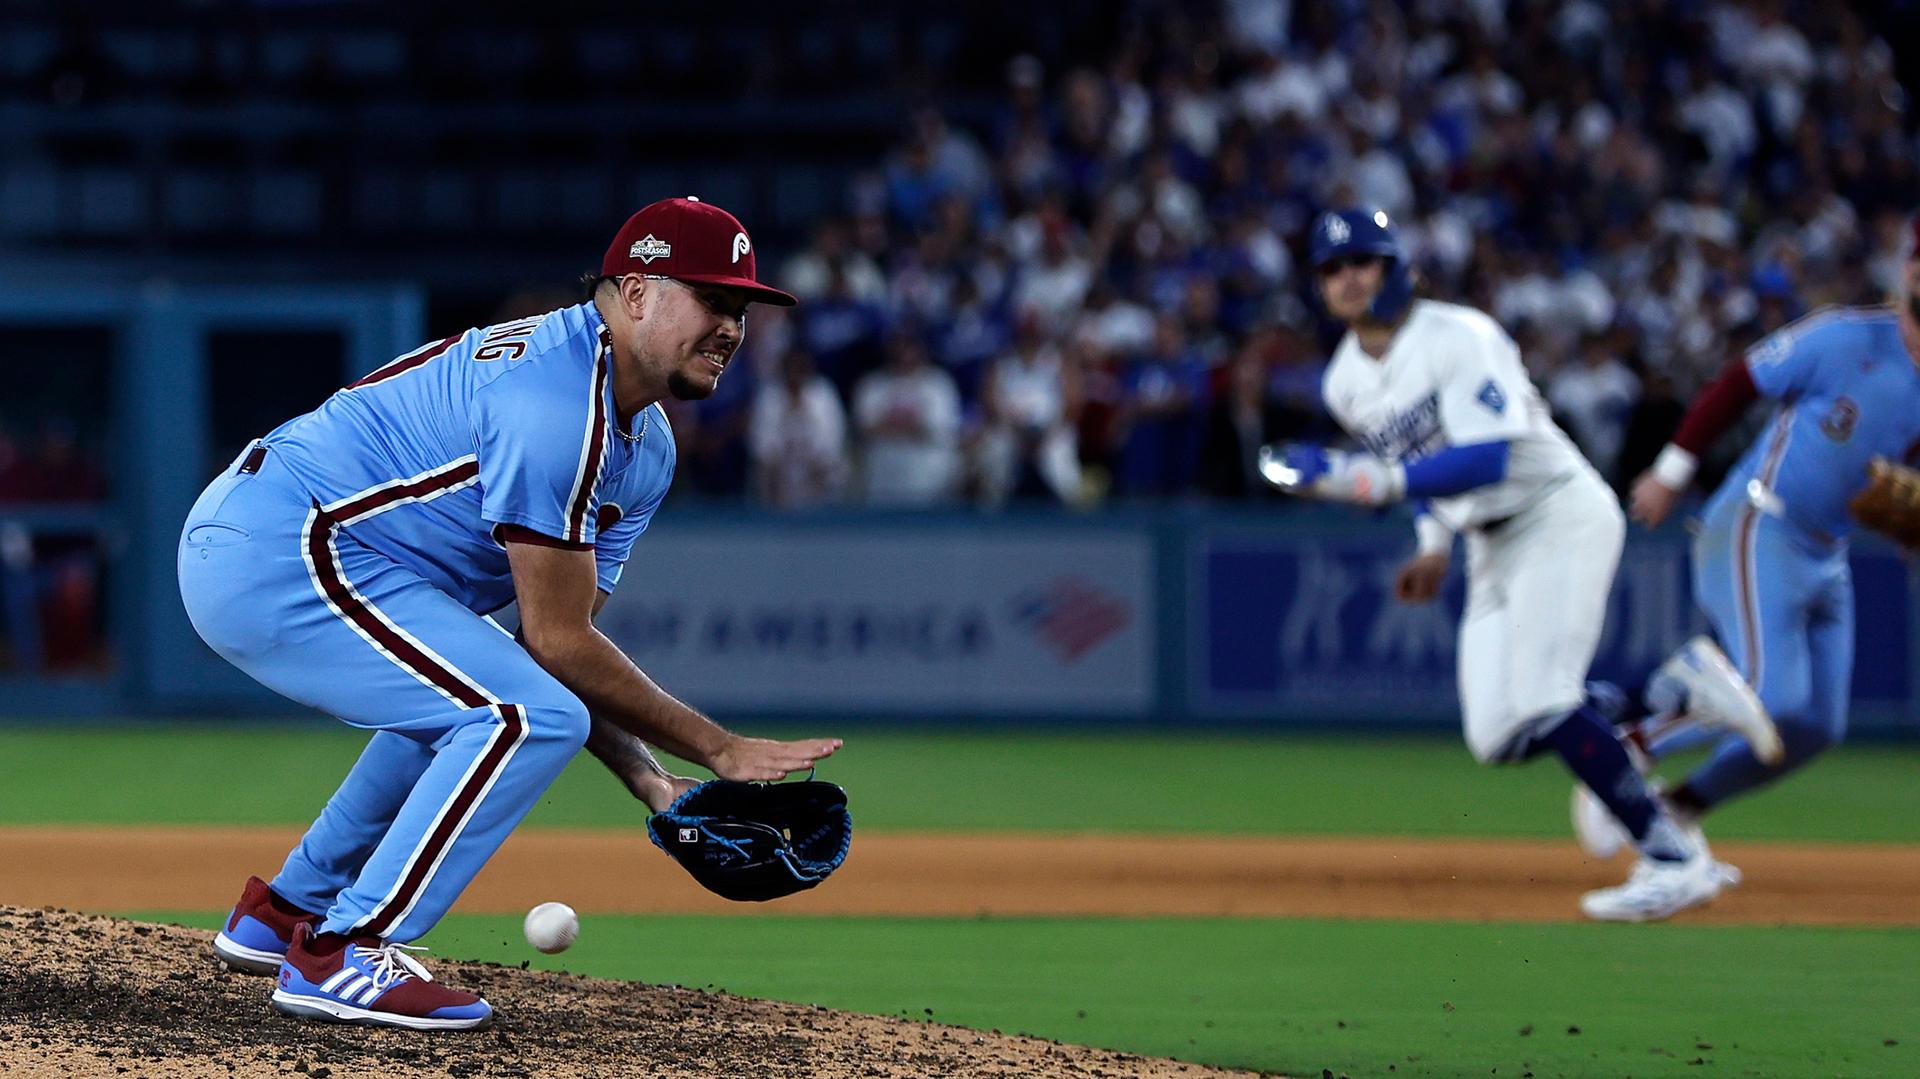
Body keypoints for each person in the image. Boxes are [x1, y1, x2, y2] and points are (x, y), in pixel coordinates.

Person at [178, 197, 842, 1030]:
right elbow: (561, 650)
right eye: (713, 300)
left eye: (741, 308)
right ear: (635, 291)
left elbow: (545, 645)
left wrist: (653, 782)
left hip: (321, 547)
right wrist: (718, 748)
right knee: (521, 715)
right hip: (275, 542)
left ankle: (284, 915)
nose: (732, 327)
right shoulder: (556, 402)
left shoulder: (645, 446)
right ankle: (349, 948)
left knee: (495, 699)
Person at [1260, 208, 1778, 923]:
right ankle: (1673, 690)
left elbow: (1487, 455)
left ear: (1392, 266)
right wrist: (1432, 544)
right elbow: (1418, 467)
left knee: (1543, 694)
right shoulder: (1344, 381)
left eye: (1362, 262)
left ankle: (1673, 855)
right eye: (1332, 268)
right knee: (1498, 733)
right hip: (1487, 539)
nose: (1348, 278)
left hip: (1556, 509)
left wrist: (1379, 484)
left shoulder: (1458, 335)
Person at [1571, 216, 1920, 863]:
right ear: (1908, 273)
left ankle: (1680, 808)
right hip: (1761, 520)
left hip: (1827, 551)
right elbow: (1739, 383)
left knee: (1815, 726)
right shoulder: (1847, 336)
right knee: (1772, 695)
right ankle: (1624, 749)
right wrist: (1672, 471)